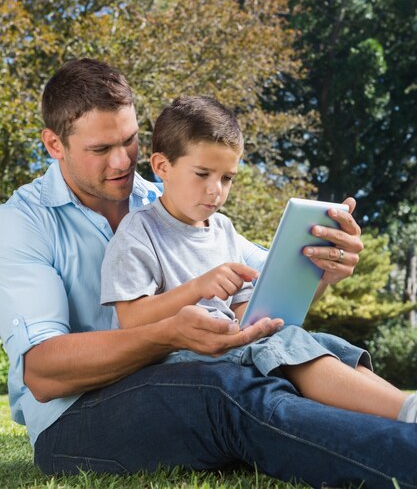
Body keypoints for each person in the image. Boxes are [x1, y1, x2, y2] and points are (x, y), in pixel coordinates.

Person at [0, 58, 416, 489]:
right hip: (74, 420)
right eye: (101, 150)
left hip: (173, 379)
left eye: (130, 140)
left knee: (310, 348)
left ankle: (405, 416)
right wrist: (169, 333)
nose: (123, 161)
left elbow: (266, 289)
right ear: (54, 144)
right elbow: (43, 375)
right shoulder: (22, 224)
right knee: (224, 388)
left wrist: (322, 267)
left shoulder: (172, 198)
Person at [101, 95, 414, 421]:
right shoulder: (139, 230)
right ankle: (404, 413)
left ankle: (403, 411)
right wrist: (197, 288)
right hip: (170, 367)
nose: (216, 190)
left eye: (226, 178)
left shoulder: (223, 229)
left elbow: (242, 313)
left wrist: (310, 280)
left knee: (313, 342)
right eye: (203, 174)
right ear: (162, 166)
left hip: (224, 351)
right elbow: (131, 321)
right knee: (281, 347)